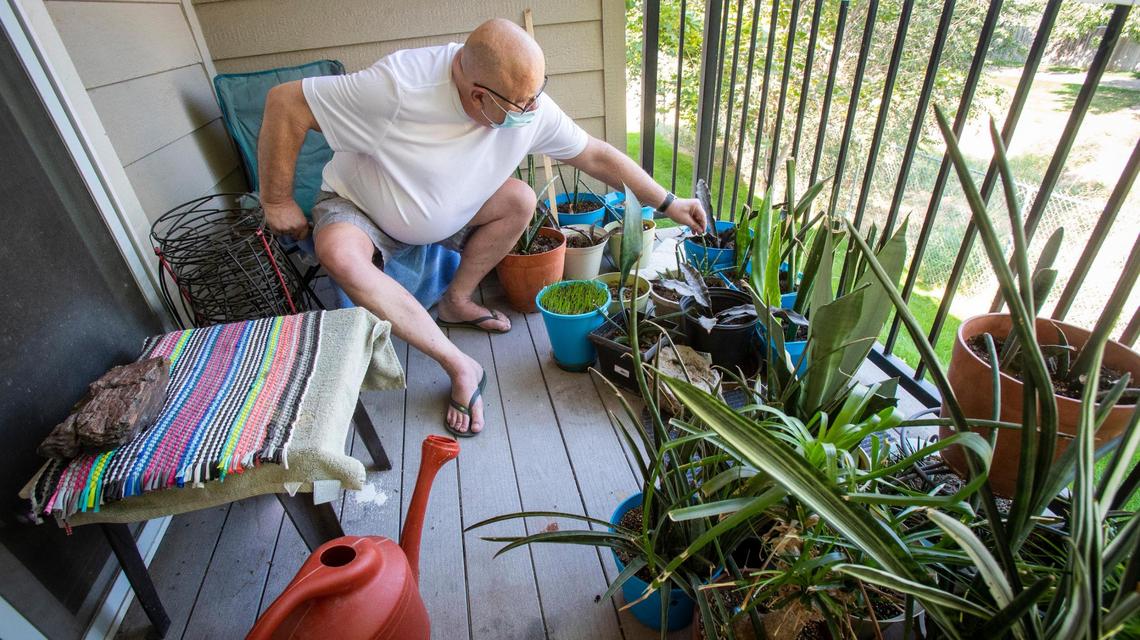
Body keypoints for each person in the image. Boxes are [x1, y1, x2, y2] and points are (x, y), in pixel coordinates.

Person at [257, 18, 707, 437]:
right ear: (477, 95)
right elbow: (286, 102)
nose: (532, 110)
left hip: (448, 209)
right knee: (337, 254)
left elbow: (595, 155)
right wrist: (277, 199)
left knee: (520, 199)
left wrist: (668, 201)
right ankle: (459, 365)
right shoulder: (398, 87)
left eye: (537, 94)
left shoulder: (527, 105)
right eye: (520, 103)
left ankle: (455, 301)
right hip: (363, 208)